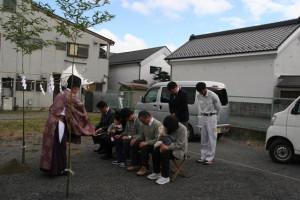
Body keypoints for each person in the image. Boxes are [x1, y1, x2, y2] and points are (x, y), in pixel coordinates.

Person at [40, 75, 95, 176]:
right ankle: (57, 169)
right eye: (77, 89)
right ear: (75, 88)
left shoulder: (60, 94)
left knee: (50, 146)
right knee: (58, 146)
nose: (77, 91)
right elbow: (81, 109)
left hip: (50, 122)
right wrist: (90, 128)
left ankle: (47, 167)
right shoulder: (71, 96)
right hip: (58, 123)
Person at [147, 115, 188, 185]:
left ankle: (165, 176)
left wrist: (167, 147)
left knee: (164, 153)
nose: (167, 128)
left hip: (179, 150)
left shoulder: (182, 129)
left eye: (168, 127)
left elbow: (179, 144)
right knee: (155, 151)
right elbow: (163, 135)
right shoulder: (169, 126)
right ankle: (157, 172)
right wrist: (163, 144)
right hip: (167, 145)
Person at [127, 110, 161, 176]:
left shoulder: (157, 124)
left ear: (148, 117)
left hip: (155, 144)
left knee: (144, 148)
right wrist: (135, 139)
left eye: (143, 121)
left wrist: (147, 143)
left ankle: (145, 168)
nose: (142, 122)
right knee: (134, 144)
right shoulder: (144, 124)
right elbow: (141, 135)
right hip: (146, 142)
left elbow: (158, 140)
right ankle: (135, 164)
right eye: (141, 121)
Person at [196, 82, 221, 165]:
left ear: (205, 89)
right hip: (204, 116)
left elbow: (218, 107)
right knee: (203, 137)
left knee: (212, 137)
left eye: (201, 91)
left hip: (212, 116)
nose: (200, 93)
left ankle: (209, 158)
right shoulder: (198, 95)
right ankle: (203, 157)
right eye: (199, 91)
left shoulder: (213, 95)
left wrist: (216, 118)